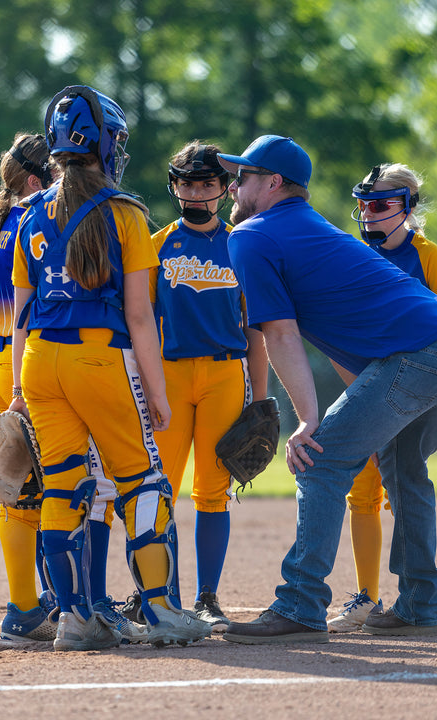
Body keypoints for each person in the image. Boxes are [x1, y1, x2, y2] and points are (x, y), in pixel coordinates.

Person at [217, 135, 437, 643]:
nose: (233, 186)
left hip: (422, 353)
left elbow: (280, 333)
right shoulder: (309, 227)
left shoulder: (251, 235)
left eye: (243, 176)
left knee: (319, 458)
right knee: (403, 473)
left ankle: (300, 604)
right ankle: (422, 604)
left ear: (273, 183)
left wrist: (309, 423)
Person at [9, 85, 211, 651]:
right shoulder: (125, 214)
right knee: (142, 479)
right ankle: (163, 610)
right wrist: (159, 396)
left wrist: (21, 387)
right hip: (99, 357)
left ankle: (75, 619)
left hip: (39, 361)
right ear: (103, 146)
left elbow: (22, 312)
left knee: (64, 487)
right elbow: (140, 318)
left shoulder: (29, 215)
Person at [0, 136, 145, 643]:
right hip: (47, 359)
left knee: (24, 492)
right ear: (36, 177)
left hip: (13, 360)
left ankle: (30, 604)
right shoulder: (41, 216)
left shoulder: (6, 221)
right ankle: (80, 604)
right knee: (80, 487)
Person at [326, 162, 437, 633]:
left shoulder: (425, 253)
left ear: (407, 207)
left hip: (421, 380)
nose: (369, 213)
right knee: (389, 482)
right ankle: (397, 600)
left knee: (399, 480)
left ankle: (416, 602)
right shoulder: (355, 255)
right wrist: (363, 395)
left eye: (382, 203)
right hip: (375, 383)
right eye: (365, 204)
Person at [149, 141, 269, 631]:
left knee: (213, 491)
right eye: (189, 183)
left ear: (225, 187)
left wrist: (260, 399)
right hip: (169, 372)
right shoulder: (155, 245)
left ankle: (207, 597)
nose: (198, 192)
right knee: (159, 489)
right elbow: (140, 321)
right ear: (175, 186)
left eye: (208, 183)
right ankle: (165, 596)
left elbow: (254, 329)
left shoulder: (242, 242)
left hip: (224, 372)